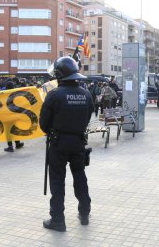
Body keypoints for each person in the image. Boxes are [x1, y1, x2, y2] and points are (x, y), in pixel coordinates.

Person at [39, 56, 94, 232]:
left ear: (59, 75)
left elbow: (43, 125)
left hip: (58, 143)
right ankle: (84, 213)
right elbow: (88, 117)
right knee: (80, 176)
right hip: (78, 142)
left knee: (57, 181)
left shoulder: (54, 94)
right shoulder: (86, 94)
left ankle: (58, 220)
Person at [3, 80, 24, 152]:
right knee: (14, 129)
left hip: (7, 116)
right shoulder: (15, 94)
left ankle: (10, 146)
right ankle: (17, 143)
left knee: (8, 132)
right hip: (14, 115)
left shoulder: (3, 94)